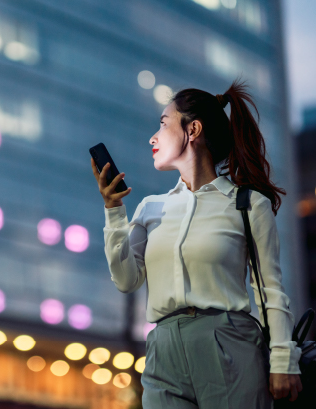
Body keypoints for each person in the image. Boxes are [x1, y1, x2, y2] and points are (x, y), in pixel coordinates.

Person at [91, 80, 303, 408]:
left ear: (193, 129)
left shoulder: (247, 204)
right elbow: (125, 280)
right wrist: (114, 211)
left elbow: (270, 290)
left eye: (163, 124)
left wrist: (283, 360)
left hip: (229, 342)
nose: (153, 137)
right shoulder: (151, 207)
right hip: (163, 349)